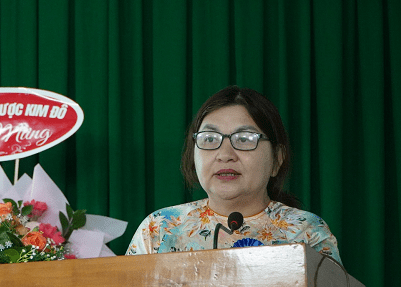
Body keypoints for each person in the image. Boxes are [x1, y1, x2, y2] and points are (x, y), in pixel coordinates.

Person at [126, 86, 341, 263]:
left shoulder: (306, 233)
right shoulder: (160, 229)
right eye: (210, 139)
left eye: (244, 139)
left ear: (277, 159)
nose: (225, 155)